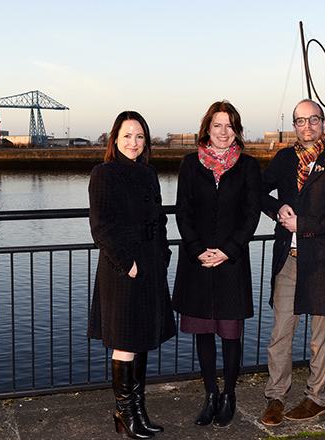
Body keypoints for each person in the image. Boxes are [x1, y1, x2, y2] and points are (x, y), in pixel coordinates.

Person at [259, 99, 325, 426]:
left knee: (321, 337)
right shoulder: (284, 159)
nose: (307, 126)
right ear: (294, 126)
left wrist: (303, 224)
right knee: (280, 333)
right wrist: (276, 209)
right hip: (288, 261)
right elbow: (258, 190)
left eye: (313, 119)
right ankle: (276, 396)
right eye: (301, 121)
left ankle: (316, 398)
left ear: (323, 123)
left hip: (323, 262)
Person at [171, 101, 261, 428]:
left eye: (230, 126)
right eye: (217, 125)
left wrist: (227, 250)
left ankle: (229, 395)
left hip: (231, 262)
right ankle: (210, 395)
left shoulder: (248, 166)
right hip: (197, 263)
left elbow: (251, 215)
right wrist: (198, 250)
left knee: (230, 334)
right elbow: (183, 212)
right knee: (203, 332)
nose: (224, 132)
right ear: (207, 128)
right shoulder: (189, 164)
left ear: (237, 130)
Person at [87, 111, 177, 439]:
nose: (133, 142)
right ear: (114, 139)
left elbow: (159, 219)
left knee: (142, 341)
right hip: (122, 270)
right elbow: (101, 227)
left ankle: (138, 410)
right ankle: (124, 411)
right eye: (127, 136)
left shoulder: (149, 172)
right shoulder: (104, 173)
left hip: (150, 265)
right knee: (125, 342)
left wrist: (163, 255)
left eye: (139, 136)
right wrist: (128, 264)